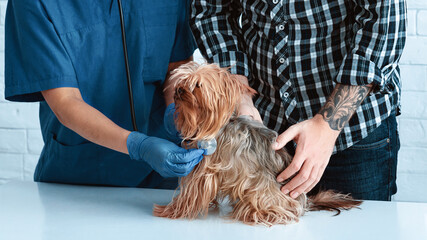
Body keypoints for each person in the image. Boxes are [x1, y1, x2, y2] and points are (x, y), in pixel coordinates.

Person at [191, 0, 406, 200]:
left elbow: (384, 23)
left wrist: (326, 125)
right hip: (265, 131)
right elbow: (211, 12)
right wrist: (240, 95)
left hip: (354, 132)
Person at [4, 0, 205, 188]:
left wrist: (177, 110)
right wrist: (139, 146)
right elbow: (65, 101)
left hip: (163, 176)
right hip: (80, 180)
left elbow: (177, 66)